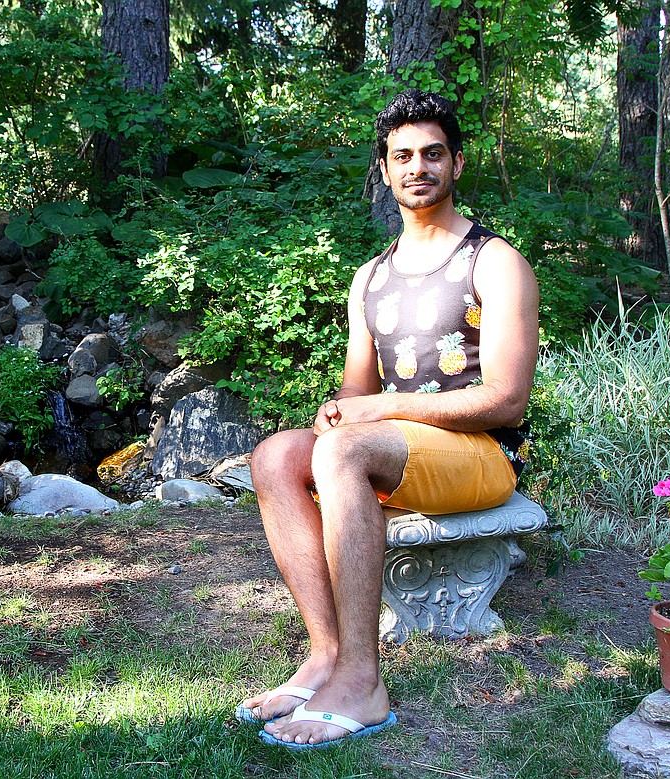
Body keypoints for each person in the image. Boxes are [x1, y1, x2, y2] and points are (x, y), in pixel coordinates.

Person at [236, 89, 540, 751]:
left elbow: (508, 400)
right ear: (383, 169)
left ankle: (362, 681)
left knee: (343, 453)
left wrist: (380, 411)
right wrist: (339, 411)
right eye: (402, 155)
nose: (417, 166)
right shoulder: (369, 277)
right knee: (273, 456)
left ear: (458, 163)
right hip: (401, 450)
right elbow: (356, 397)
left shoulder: (493, 261)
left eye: (433, 153)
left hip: (481, 454)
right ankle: (324, 655)